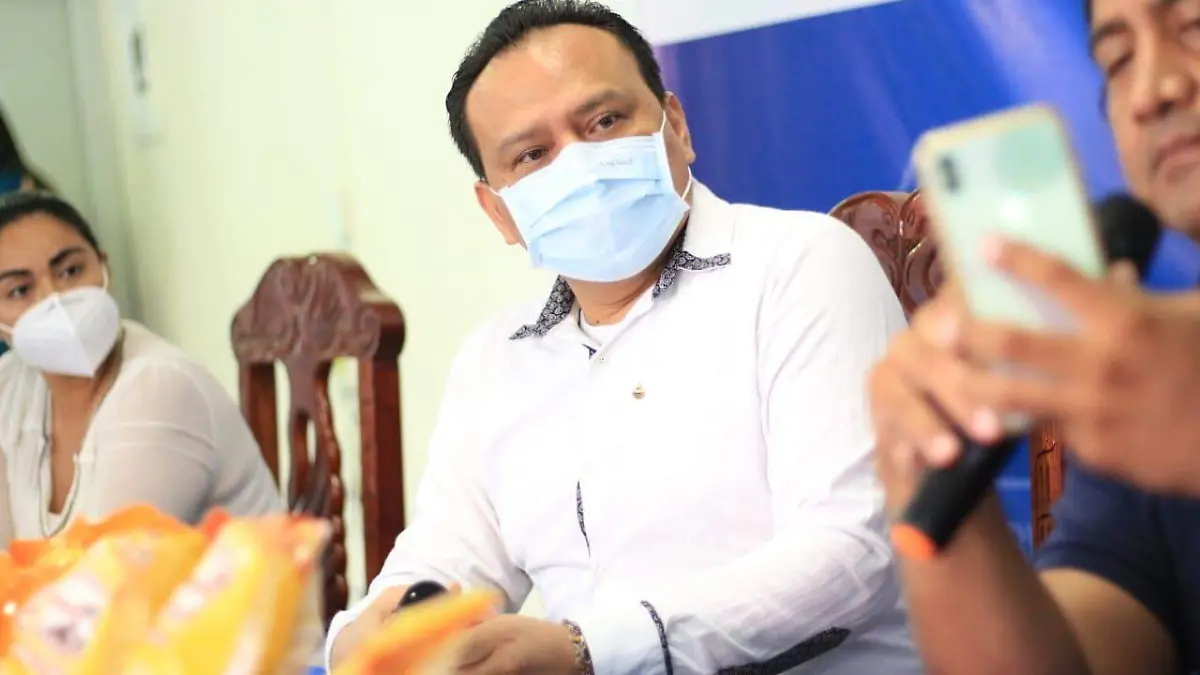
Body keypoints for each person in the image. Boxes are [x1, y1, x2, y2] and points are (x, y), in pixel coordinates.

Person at [328, 1, 920, 673]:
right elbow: (443, 564)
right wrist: (365, 639)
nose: (580, 163)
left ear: (677, 126)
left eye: (605, 121)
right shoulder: (497, 357)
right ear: (499, 212)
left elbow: (852, 553)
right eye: (532, 154)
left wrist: (589, 650)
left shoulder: (803, 266)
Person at [869, 0, 1200, 672]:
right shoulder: (1148, 387)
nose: (1153, 90)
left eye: (1194, 28)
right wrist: (938, 487)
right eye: (1119, 60)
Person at [0, 191, 283, 548]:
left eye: (71, 271)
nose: (54, 299)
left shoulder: (157, 388)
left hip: (253, 585)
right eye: (20, 290)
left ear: (105, 268)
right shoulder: (9, 385)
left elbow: (111, 570)